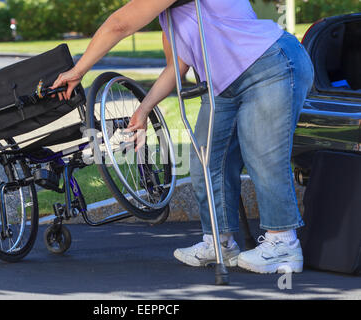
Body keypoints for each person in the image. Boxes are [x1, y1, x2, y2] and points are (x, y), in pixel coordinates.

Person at [51, 0, 314, 274]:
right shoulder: (169, 15)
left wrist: (78, 70)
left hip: (269, 66)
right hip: (223, 85)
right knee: (206, 160)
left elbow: (120, 24)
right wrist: (143, 110)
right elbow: (177, 66)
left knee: (262, 155)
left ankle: (283, 244)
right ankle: (219, 242)